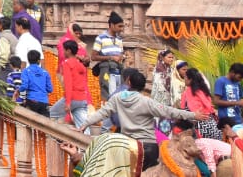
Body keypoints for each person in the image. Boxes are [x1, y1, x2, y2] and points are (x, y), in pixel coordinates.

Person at [78, 70, 211, 170]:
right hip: (148, 147)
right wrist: (193, 115)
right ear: (142, 86)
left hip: (129, 146)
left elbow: (101, 113)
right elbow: (169, 111)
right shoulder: (146, 102)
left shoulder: (117, 98)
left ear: (128, 82)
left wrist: (84, 125)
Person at [49, 40, 92, 129]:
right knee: (83, 126)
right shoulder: (81, 64)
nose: (63, 52)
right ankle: (88, 141)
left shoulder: (67, 63)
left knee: (51, 113)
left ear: (68, 51)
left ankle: (57, 137)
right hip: (83, 99)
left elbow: (68, 84)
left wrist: (68, 102)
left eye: (64, 50)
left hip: (72, 98)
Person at [184, 68, 224, 140]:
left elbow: (191, 111)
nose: (184, 79)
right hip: (214, 127)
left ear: (190, 79)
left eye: (185, 77)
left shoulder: (189, 92)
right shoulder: (204, 90)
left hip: (200, 129)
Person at [19, 50, 53, 116]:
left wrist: (18, 90)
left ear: (28, 60)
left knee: (30, 122)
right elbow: (50, 89)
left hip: (31, 101)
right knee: (45, 123)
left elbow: (24, 86)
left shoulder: (25, 71)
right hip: (44, 101)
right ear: (39, 60)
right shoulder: (45, 73)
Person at [213, 63, 243, 129]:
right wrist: (236, 103)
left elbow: (240, 100)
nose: (240, 79)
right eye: (239, 77)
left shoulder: (238, 84)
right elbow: (216, 101)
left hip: (238, 120)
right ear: (232, 72)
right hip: (226, 120)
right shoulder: (221, 81)